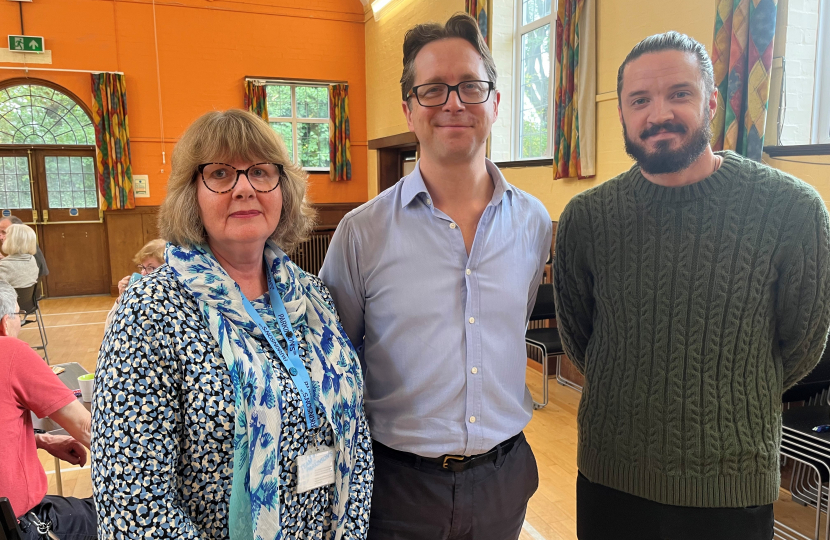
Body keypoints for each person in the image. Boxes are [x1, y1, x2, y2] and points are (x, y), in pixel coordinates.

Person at [553, 31, 830, 540]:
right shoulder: (586, 219)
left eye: (679, 93)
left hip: (731, 488)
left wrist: (726, 393)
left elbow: (804, 343)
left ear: (712, 101)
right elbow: (580, 337)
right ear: (622, 113)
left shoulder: (791, 210)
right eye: (640, 100)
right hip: (612, 479)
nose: (658, 113)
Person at [320, 13, 551, 540]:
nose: (453, 102)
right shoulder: (362, 234)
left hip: (503, 478)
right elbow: (336, 361)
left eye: (471, 86)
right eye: (432, 90)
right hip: (397, 486)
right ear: (408, 109)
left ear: (495, 102)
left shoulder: (533, 222)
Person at [92, 109, 372, 540]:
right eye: (221, 174)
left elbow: (356, 437)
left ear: (283, 189)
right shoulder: (150, 310)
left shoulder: (311, 294)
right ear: (192, 194)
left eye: (261, 172)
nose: (245, 188)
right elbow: (133, 503)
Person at [0, 279, 95, 540]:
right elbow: (86, 428)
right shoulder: (9, 350)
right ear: (5, 323)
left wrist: (40, 440)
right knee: (116, 513)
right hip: (16, 523)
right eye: (18, 314)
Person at [105, 238, 166, 329]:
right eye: (142, 267)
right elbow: (109, 330)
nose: (143, 273)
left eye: (150, 267)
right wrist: (121, 300)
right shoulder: (137, 295)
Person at [0, 224, 39, 289]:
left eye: (5, 235)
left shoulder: (4, 266)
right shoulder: (31, 259)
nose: (2, 238)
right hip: (26, 298)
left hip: (10, 298)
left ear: (13, 241)